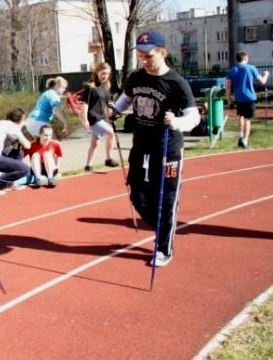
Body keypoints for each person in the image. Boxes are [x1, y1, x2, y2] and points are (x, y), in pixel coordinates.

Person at [113, 31, 199, 268]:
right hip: (141, 146)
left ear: (162, 53)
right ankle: (161, 224)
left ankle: (163, 248)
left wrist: (178, 123)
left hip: (167, 149)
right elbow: (126, 99)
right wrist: (114, 111)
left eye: (148, 56)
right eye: (140, 56)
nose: (144, 60)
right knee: (137, 194)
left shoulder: (176, 83)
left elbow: (193, 118)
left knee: (166, 199)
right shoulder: (137, 77)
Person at [226, 52, 270, 149]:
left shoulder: (232, 70)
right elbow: (262, 81)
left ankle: (241, 136)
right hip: (249, 98)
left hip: (239, 98)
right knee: (247, 119)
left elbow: (228, 88)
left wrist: (229, 101)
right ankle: (245, 141)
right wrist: (266, 74)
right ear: (246, 58)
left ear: (237, 59)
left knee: (241, 116)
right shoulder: (251, 68)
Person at [80, 62, 118, 172]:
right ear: (97, 72)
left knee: (94, 143)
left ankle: (88, 165)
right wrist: (85, 119)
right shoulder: (90, 86)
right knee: (111, 133)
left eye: (107, 74)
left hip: (101, 117)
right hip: (93, 116)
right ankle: (108, 158)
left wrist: (110, 117)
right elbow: (85, 103)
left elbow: (106, 105)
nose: (105, 76)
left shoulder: (105, 88)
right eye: (103, 73)